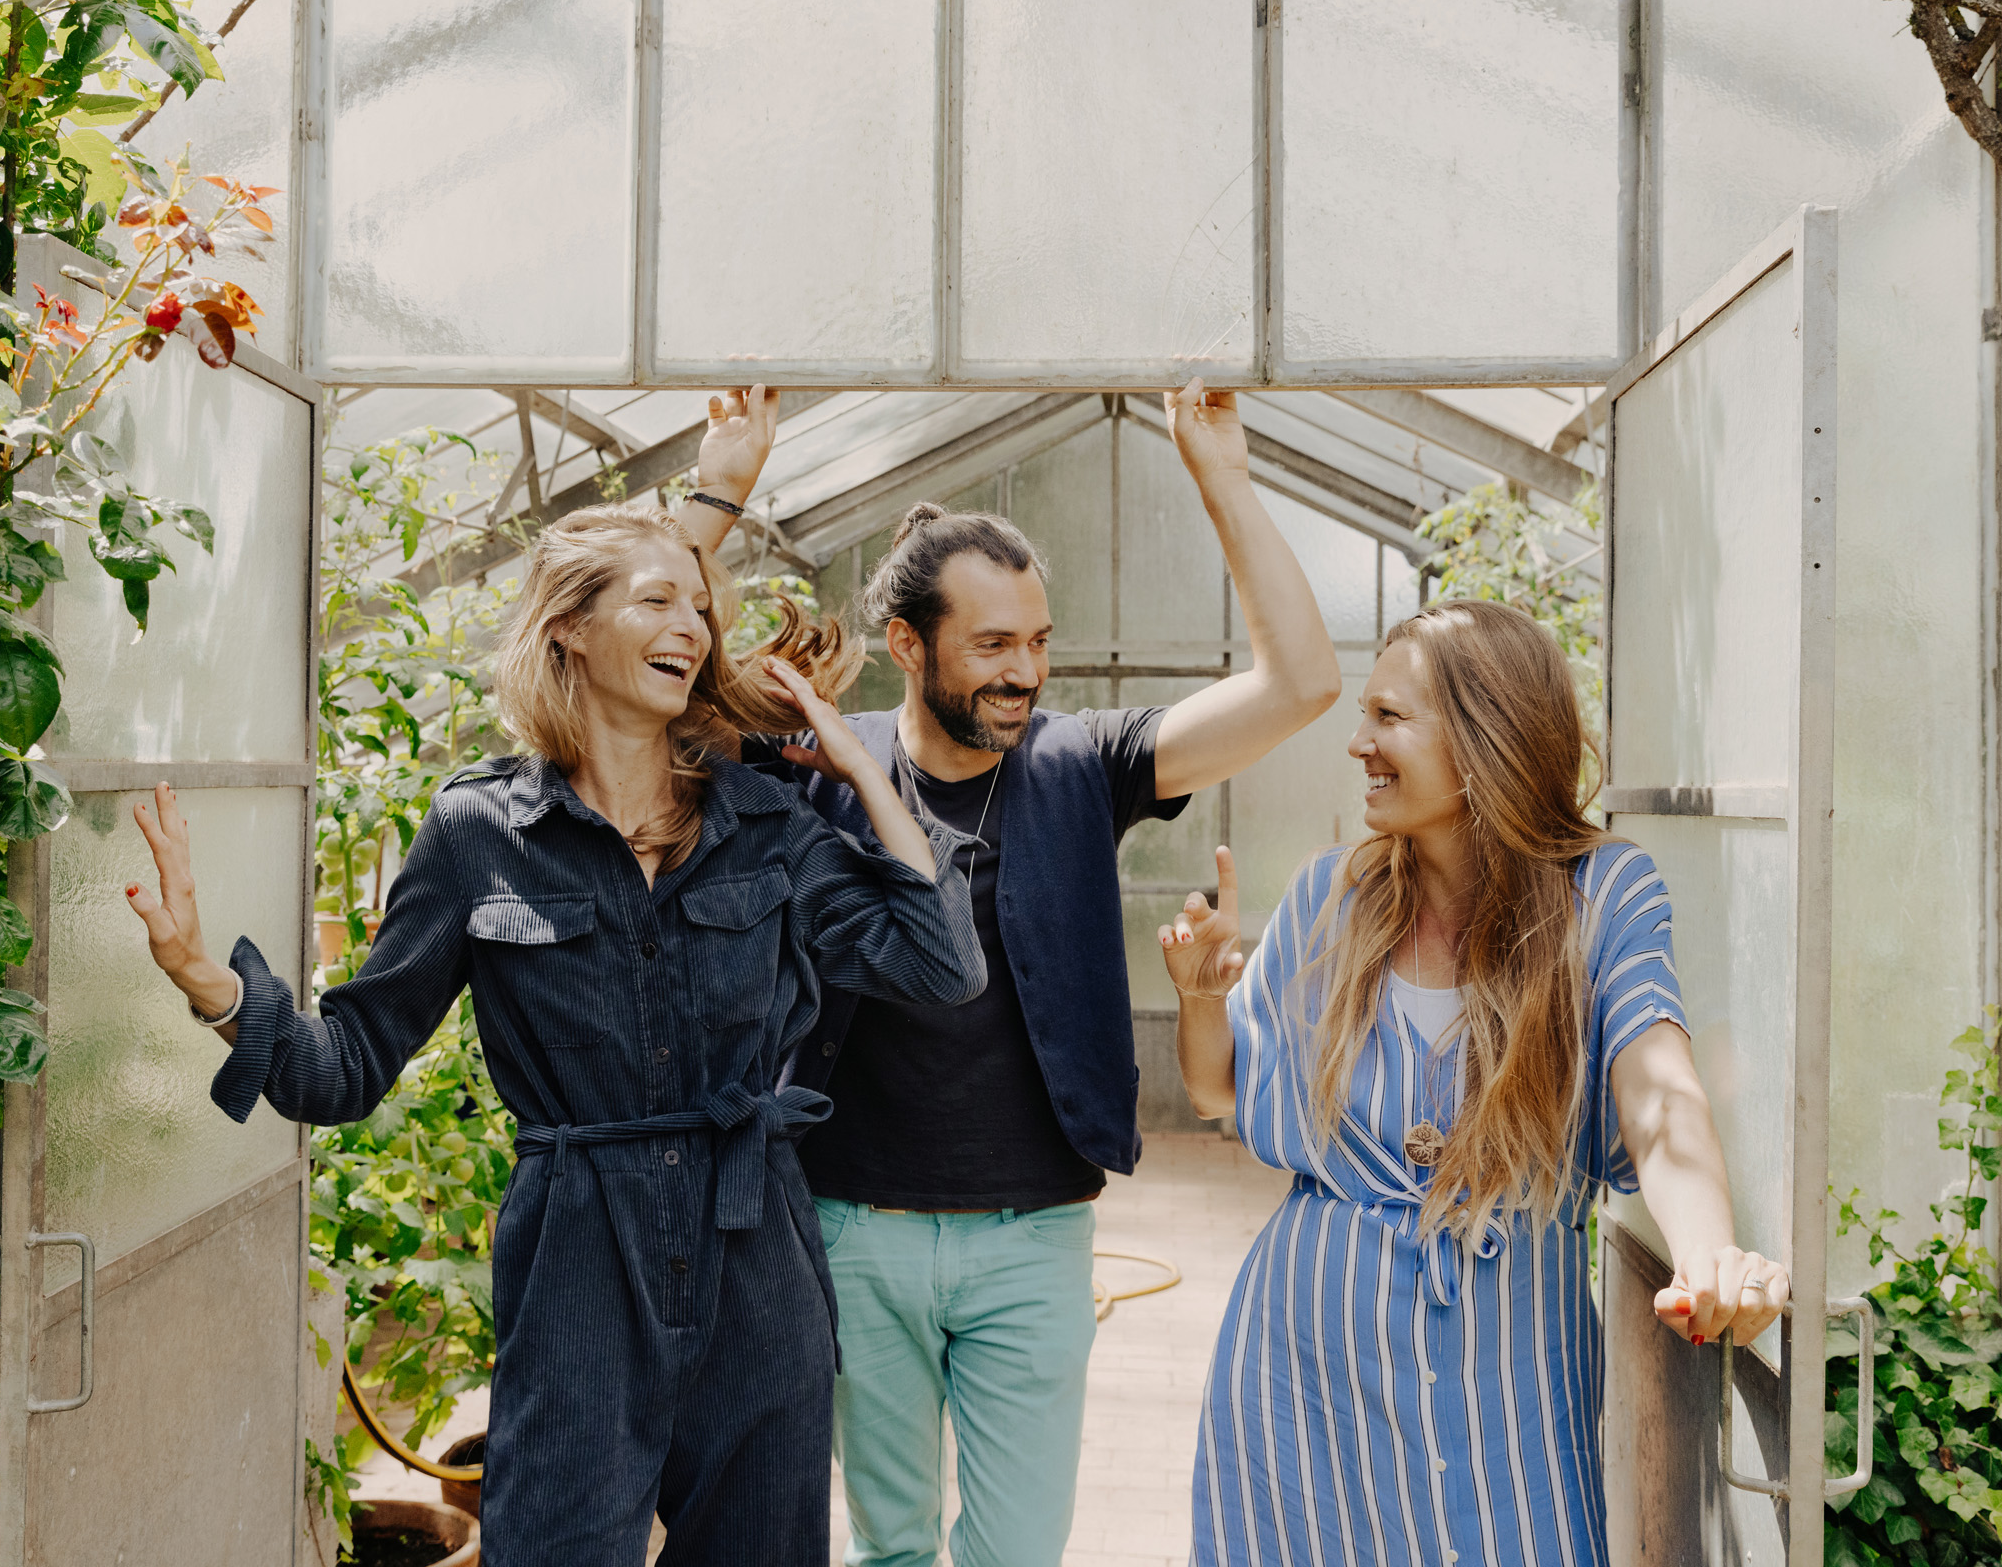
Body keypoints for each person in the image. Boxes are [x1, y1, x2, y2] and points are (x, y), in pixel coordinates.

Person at [120, 394, 989, 1566]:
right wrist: (206, 980)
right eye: (656, 600)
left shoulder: (764, 823)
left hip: (756, 1255)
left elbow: (939, 964)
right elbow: (343, 1069)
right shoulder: (478, 831)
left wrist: (857, 766)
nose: (690, 624)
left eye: (700, 608)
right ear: (570, 629)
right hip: (579, 1253)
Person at [669, 381, 1342, 1566]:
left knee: (1015, 1553)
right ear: (905, 645)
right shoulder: (821, 762)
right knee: (885, 1549)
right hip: (847, 1224)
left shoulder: (1088, 763)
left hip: (1032, 1234)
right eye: (990, 645)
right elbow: (633, 689)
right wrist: (720, 486)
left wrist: (1219, 472)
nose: (1024, 671)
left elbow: (1299, 687)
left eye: (1036, 641)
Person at [1160, 598, 1791, 1566]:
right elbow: (1218, 1093)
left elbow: (1659, 1093)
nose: (1357, 743)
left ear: (1482, 735)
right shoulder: (1329, 896)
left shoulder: (1603, 895)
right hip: (1302, 1378)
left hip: (1514, 1379)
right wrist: (1200, 995)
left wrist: (1706, 1251)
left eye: (1387, 717)